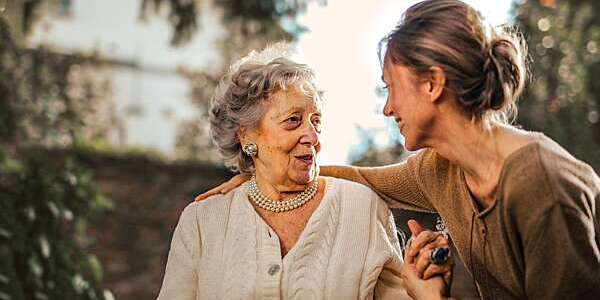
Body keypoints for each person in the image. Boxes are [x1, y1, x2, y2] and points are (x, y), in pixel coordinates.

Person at [195, 1, 600, 299]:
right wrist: (260, 171)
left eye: (391, 86)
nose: (387, 107)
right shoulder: (439, 169)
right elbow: (359, 178)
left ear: (432, 83)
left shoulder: (541, 187)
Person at [157, 44, 452, 299]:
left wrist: (426, 290)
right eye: (293, 121)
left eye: (316, 121)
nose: (312, 136)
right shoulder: (202, 221)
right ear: (246, 136)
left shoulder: (363, 208)